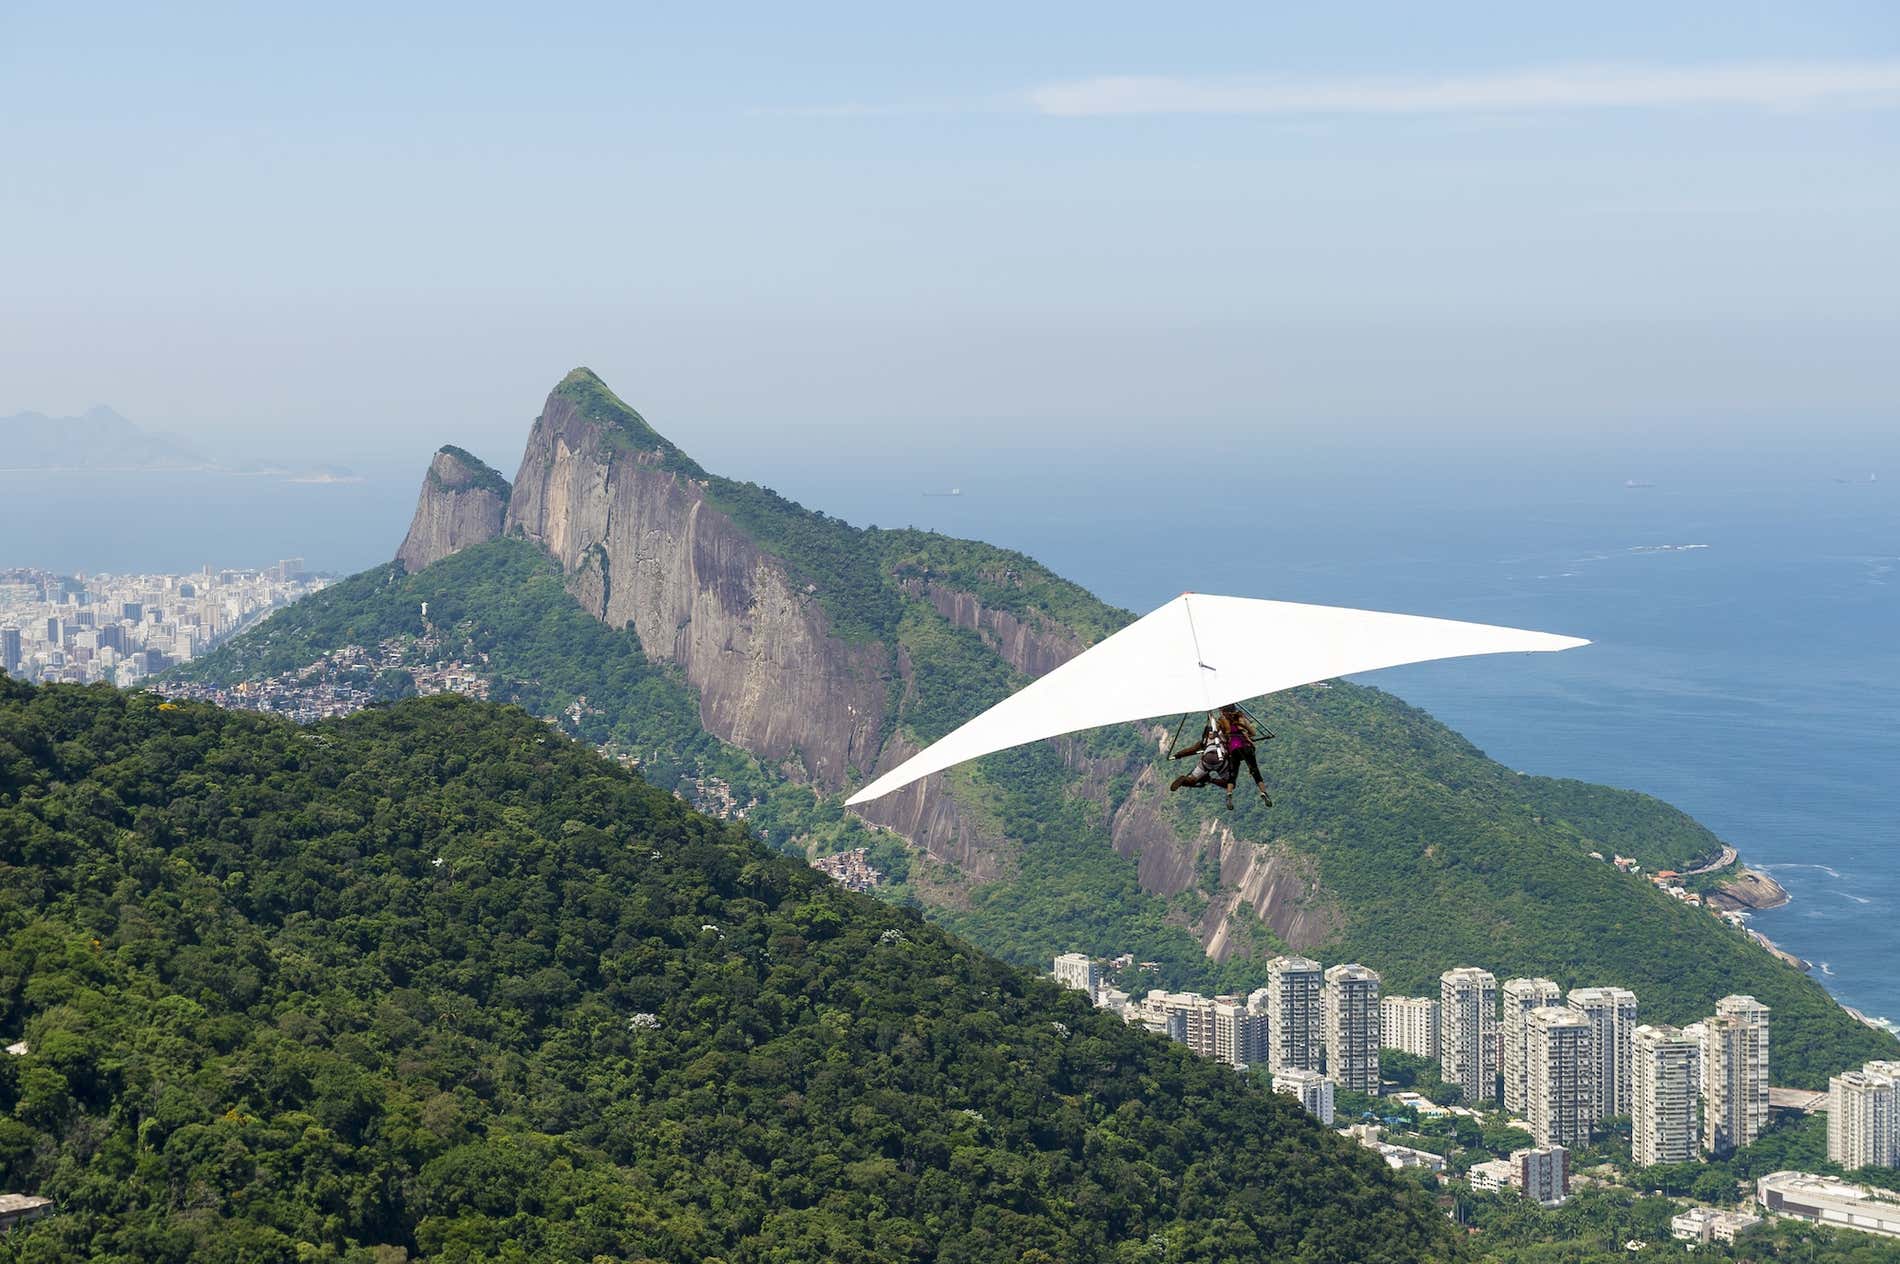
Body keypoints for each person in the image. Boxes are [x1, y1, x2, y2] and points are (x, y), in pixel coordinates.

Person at [1168, 722, 1238, 808]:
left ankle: (1184, 779)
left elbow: (1191, 750)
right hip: (1219, 761)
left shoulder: (1204, 741)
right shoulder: (1221, 737)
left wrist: (1178, 755)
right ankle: (1210, 780)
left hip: (1206, 761)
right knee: (1230, 783)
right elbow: (1228, 729)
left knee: (1192, 780)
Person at [1216, 703, 1272, 807]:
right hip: (1246, 746)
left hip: (1233, 749)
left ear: (1223, 712)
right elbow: (1253, 733)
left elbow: (1219, 736)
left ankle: (1229, 795)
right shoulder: (1241, 719)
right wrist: (1246, 734)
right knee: (1255, 771)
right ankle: (1264, 793)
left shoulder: (1222, 722)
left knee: (1233, 774)